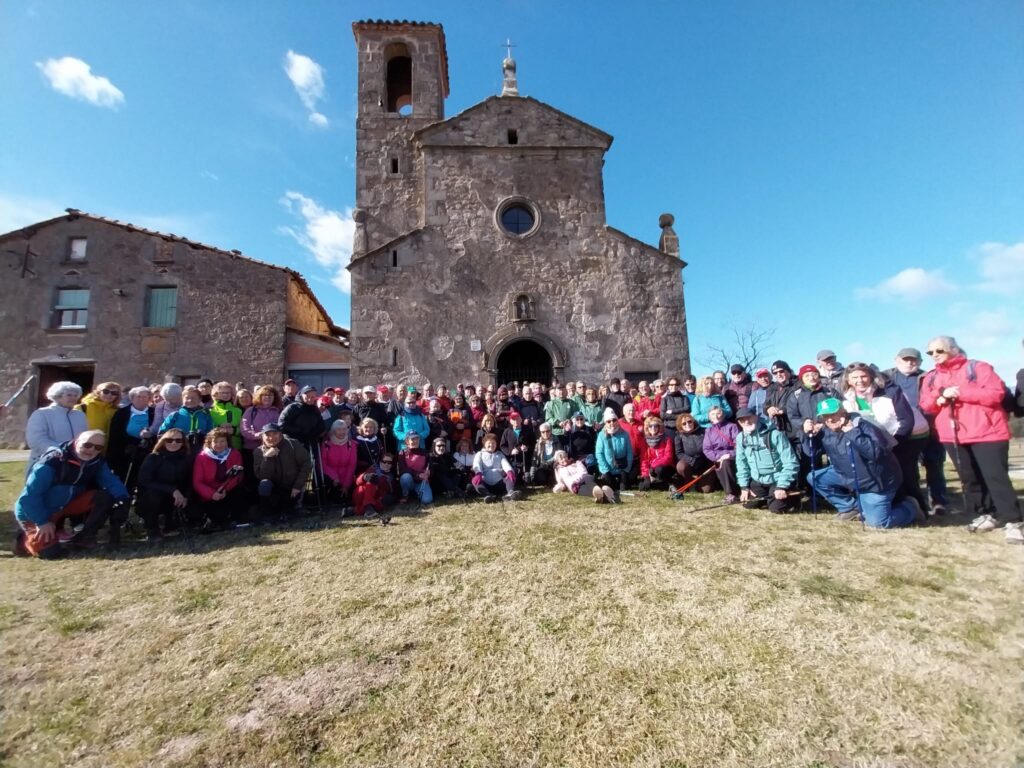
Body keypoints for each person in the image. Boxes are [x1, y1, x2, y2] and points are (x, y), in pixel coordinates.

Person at [918, 336, 1022, 541]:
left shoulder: (978, 368)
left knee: (995, 477)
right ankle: (986, 514)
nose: (935, 356)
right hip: (953, 434)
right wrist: (939, 398)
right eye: (931, 352)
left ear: (954, 350)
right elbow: (925, 404)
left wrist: (960, 392)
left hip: (987, 432)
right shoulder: (930, 377)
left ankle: (1013, 520)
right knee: (970, 478)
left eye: (940, 351)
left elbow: (996, 394)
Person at [804, 398, 922, 528]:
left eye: (833, 414)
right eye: (825, 416)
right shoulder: (826, 430)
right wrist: (809, 436)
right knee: (815, 477)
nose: (829, 420)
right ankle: (851, 508)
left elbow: (875, 453)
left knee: (878, 524)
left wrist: (851, 432)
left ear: (843, 413)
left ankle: (910, 508)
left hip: (875, 482)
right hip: (847, 475)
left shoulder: (863, 425)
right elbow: (812, 453)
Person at [14, 430, 130, 557]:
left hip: (62, 507)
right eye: (87, 445)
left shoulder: (96, 462)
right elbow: (28, 497)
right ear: (76, 442)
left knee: (103, 497)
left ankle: (85, 537)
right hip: (34, 512)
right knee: (50, 553)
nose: (91, 450)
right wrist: (41, 522)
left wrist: (123, 499)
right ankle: (23, 539)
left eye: (98, 447)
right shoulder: (52, 461)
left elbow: (111, 481)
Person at [841, 362, 924, 512]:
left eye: (863, 376)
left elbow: (906, 420)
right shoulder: (846, 399)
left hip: (898, 441)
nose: (860, 380)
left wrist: (895, 443)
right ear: (848, 380)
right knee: (884, 478)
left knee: (907, 476)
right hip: (872, 446)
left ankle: (918, 508)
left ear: (871, 376)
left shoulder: (890, 391)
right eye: (855, 377)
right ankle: (892, 508)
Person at [885, 348, 948, 515]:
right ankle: (914, 502)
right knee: (909, 468)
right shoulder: (887, 378)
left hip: (930, 428)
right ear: (896, 360)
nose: (909, 363)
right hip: (904, 431)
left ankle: (938, 502)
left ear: (920, 362)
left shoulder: (930, 377)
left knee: (934, 465)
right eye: (905, 359)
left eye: (914, 360)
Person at [734, 408, 800, 513]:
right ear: (739, 423)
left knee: (776, 509)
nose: (746, 422)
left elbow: (791, 463)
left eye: (749, 417)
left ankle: (792, 496)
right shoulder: (740, 438)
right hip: (758, 480)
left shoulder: (775, 434)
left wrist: (781, 486)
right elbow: (741, 464)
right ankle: (769, 498)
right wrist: (744, 487)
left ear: (756, 417)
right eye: (742, 420)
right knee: (748, 504)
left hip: (777, 479)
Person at [135, 428, 192, 542]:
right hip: (152, 497)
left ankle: (174, 523)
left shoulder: (187, 458)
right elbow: (144, 481)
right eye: (170, 440)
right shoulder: (153, 457)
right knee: (153, 496)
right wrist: (172, 490)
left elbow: (189, 480)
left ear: (183, 442)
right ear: (163, 441)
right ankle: (152, 529)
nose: (174, 443)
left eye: (178, 440)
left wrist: (186, 496)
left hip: (176, 498)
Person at [252, 422, 312, 522]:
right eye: (267, 435)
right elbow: (262, 476)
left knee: (289, 508)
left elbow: (306, 463)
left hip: (292, 487)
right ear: (262, 436)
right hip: (273, 489)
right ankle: (266, 513)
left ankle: (295, 507)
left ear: (280, 434)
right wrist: (267, 458)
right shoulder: (258, 452)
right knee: (264, 484)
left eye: (274, 434)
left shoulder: (293, 444)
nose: (271, 438)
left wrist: (298, 485)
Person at [25, 381, 87, 472]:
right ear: (58, 396)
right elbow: (36, 439)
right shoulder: (42, 413)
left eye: (76, 395)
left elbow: (84, 437)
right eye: (69, 395)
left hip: (75, 462)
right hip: (46, 462)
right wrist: (56, 451)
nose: (73, 398)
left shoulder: (80, 415)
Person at [192, 428, 246, 531]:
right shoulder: (201, 457)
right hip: (210, 494)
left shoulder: (235, 454)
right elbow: (197, 482)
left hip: (228, 490)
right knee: (218, 515)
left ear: (227, 442)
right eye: (215, 441)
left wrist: (225, 489)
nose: (219, 444)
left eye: (222, 441)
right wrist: (212, 494)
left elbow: (238, 475)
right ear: (209, 443)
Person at [106, 385, 156, 492]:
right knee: (125, 482)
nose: (142, 399)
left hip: (147, 453)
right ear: (132, 398)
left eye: (145, 397)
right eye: (138, 396)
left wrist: (149, 438)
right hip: (125, 453)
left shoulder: (154, 412)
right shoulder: (121, 413)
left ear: (149, 398)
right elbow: (114, 436)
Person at [702, 406, 740, 503]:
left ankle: (731, 493)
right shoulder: (708, 431)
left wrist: (730, 454)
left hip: (732, 457)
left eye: (718, 413)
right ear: (710, 417)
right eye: (713, 414)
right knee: (722, 464)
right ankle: (731, 493)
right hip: (717, 459)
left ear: (723, 414)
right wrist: (718, 458)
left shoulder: (732, 427)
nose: (716, 416)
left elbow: (739, 445)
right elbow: (707, 449)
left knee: (726, 463)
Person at [594, 409, 633, 503]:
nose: (612, 423)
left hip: (622, 467)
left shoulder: (624, 434)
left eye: (614, 420)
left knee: (623, 488)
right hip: (608, 468)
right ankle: (601, 495)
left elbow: (629, 453)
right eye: (608, 421)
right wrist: (606, 470)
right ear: (605, 423)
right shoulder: (601, 435)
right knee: (610, 486)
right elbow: (599, 454)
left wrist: (626, 469)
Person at [158, 385, 214, 450]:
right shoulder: (175, 415)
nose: (190, 400)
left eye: (193, 398)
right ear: (182, 399)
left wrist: (202, 436)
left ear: (199, 399)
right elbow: (162, 433)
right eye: (187, 398)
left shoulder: (206, 415)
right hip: (178, 450)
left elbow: (211, 434)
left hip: (199, 450)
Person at [471, 433, 522, 502]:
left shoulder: (500, 454)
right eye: (489, 443)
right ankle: (488, 495)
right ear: (484, 444)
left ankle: (510, 493)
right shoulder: (480, 454)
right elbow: (477, 464)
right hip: (486, 483)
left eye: (493, 443)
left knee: (509, 476)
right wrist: (478, 473)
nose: (491, 445)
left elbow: (505, 464)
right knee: (475, 481)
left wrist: (509, 471)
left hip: (499, 483)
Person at [673, 414, 714, 491]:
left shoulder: (704, 431)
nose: (687, 424)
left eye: (689, 422)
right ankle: (689, 482)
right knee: (681, 466)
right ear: (680, 425)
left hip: (704, 462)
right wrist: (692, 461)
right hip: (689, 463)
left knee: (706, 490)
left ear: (693, 422)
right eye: (684, 423)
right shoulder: (678, 436)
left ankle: (701, 482)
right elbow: (679, 453)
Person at [320, 419, 356, 506]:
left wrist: (346, 484)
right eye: (339, 429)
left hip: (346, 476)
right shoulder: (326, 444)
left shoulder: (351, 444)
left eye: (344, 429)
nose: (342, 432)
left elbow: (352, 465)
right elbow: (322, 464)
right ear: (333, 430)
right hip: (331, 477)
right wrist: (334, 477)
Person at [352, 454, 396, 522]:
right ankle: (368, 507)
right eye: (384, 461)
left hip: (374, 499)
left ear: (392, 465)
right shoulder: (373, 469)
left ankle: (356, 510)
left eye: (389, 463)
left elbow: (385, 493)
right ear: (380, 462)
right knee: (372, 480)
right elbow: (357, 482)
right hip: (360, 493)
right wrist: (364, 477)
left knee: (381, 504)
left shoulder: (390, 477)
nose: (386, 464)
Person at [76, 381, 122, 446]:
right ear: (98, 392)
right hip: (86, 446)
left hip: (109, 448)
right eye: (106, 391)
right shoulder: (83, 407)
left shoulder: (118, 411)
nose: (109, 395)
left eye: (114, 393)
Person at [638, 415, 675, 491]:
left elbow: (668, 457)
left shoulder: (666, 439)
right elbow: (644, 461)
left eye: (656, 426)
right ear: (647, 428)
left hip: (666, 467)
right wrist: (646, 476)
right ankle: (659, 484)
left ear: (659, 427)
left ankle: (667, 482)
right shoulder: (644, 442)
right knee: (643, 487)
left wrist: (653, 465)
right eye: (650, 426)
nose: (653, 428)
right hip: (651, 471)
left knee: (659, 469)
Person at [398, 433, 433, 507]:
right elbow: (403, 469)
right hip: (410, 479)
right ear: (407, 441)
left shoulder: (425, 452)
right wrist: (418, 475)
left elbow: (430, 466)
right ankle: (405, 495)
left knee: (427, 500)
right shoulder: (402, 453)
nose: (415, 441)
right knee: (405, 477)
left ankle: (416, 494)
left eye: (417, 438)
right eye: (412, 439)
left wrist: (429, 472)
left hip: (421, 480)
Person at [209, 381, 243, 450]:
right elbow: (207, 427)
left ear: (232, 394)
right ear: (216, 394)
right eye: (222, 393)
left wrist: (234, 430)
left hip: (235, 445)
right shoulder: (210, 410)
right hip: (216, 446)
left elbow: (243, 428)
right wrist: (219, 428)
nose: (225, 395)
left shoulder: (238, 410)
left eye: (228, 393)